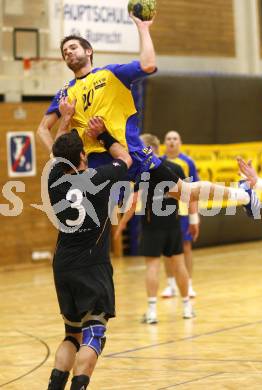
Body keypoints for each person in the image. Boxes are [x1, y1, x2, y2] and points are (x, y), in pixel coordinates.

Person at [36, 14, 260, 216]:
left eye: (73, 47)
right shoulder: (65, 93)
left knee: (185, 193)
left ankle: (243, 195)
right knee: (97, 215)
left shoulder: (111, 74)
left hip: (130, 150)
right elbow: (43, 129)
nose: (68, 53)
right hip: (97, 160)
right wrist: (57, 157)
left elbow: (149, 64)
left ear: (88, 51)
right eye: (65, 51)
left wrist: (143, 28)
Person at [47, 126, 132, 390]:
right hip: (92, 266)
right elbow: (126, 158)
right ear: (84, 156)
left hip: (63, 266)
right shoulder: (99, 176)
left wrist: (67, 119)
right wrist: (104, 135)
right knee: (94, 333)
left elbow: (54, 155)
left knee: (71, 335)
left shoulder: (53, 181)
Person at [115, 134, 196, 323]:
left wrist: (123, 224)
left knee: (152, 267)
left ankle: (151, 312)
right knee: (179, 265)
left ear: (148, 149)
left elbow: (134, 202)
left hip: (152, 225)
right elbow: (189, 194)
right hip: (173, 225)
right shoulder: (175, 168)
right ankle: (187, 308)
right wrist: (193, 219)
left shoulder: (142, 172)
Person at [161, 131, 199, 299]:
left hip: (182, 212)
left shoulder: (187, 162)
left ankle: (188, 284)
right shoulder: (159, 162)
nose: (172, 142)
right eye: (168, 139)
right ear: (164, 142)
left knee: (186, 247)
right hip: (163, 212)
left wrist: (194, 217)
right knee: (167, 250)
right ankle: (170, 285)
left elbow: (194, 190)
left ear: (180, 142)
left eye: (175, 138)